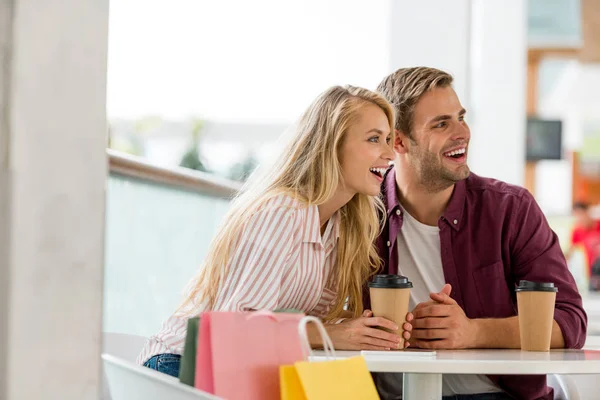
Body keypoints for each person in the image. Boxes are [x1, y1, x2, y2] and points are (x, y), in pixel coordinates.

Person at [137, 85, 414, 376]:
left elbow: (300, 322)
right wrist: (329, 334)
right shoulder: (281, 213)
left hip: (237, 374)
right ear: (331, 145)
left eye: (387, 139)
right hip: (179, 369)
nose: (389, 153)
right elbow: (236, 327)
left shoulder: (339, 228)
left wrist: (375, 331)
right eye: (374, 139)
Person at [369, 67, 587, 400]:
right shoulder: (362, 212)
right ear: (398, 140)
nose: (462, 132)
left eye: (461, 117)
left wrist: (473, 331)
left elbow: (570, 322)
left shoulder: (510, 210)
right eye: (442, 123)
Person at [566, 201, 600, 289]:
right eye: (576, 215)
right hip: (593, 273)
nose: (579, 218)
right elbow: (570, 252)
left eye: (581, 214)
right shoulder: (577, 231)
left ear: (587, 212)